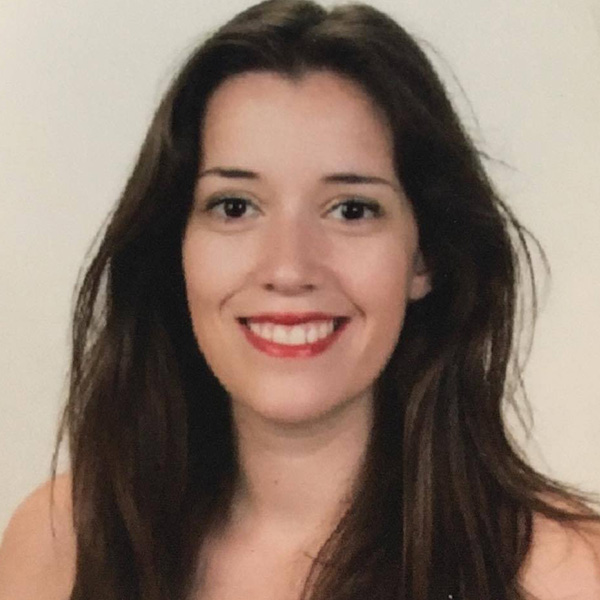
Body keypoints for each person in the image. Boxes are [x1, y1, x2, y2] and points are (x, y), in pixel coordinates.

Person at [1, 1, 599, 599]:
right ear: (174, 247)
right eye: (235, 206)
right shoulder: (58, 546)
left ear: (424, 257)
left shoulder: (569, 575)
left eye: (351, 210)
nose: (288, 269)